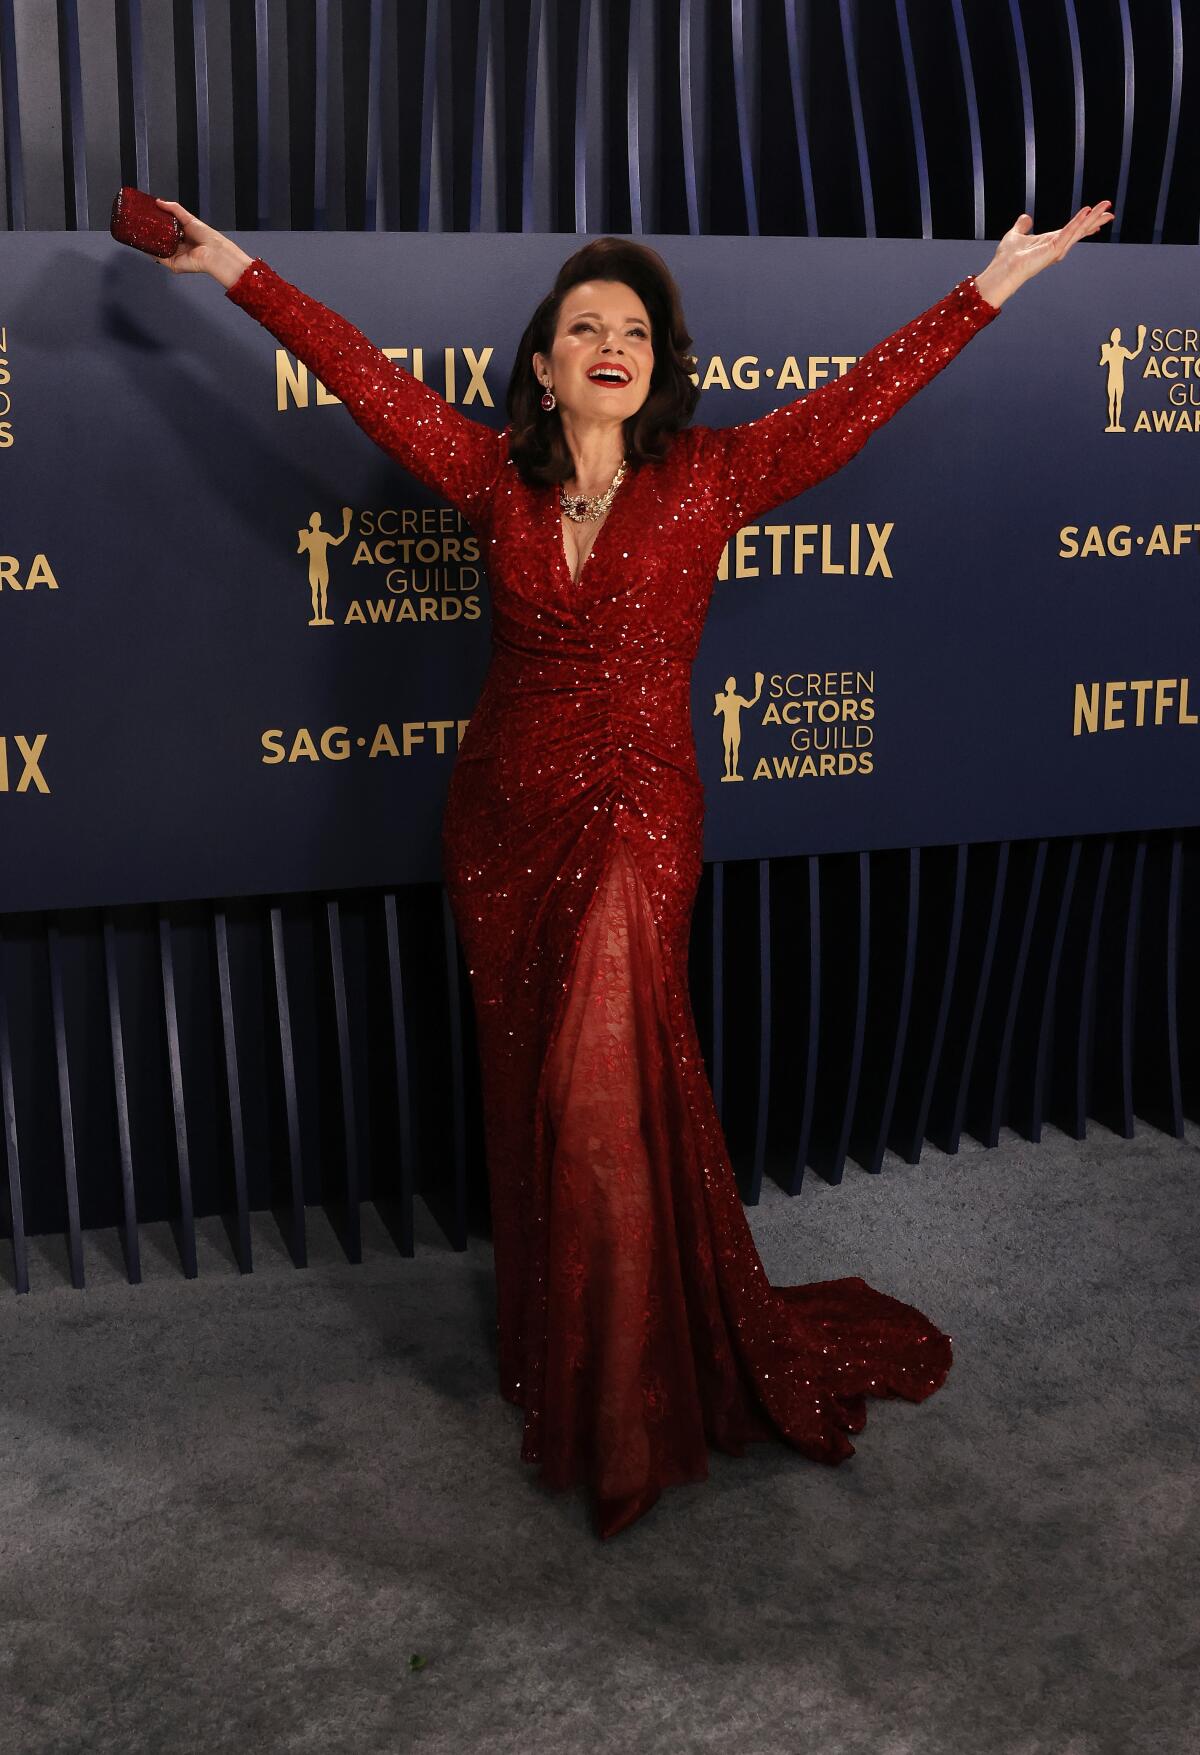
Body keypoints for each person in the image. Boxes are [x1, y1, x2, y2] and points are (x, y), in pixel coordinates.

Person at [149, 196, 1113, 1539]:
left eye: (636, 329)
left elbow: (857, 403)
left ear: (661, 363)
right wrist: (232, 269)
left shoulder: (714, 476)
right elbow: (358, 376)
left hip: (640, 813)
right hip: (500, 819)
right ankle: (572, 1350)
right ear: (543, 364)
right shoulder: (491, 475)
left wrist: (991, 285)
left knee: (607, 1090)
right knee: (535, 1090)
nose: (613, 340)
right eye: (585, 325)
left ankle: (626, 1413)